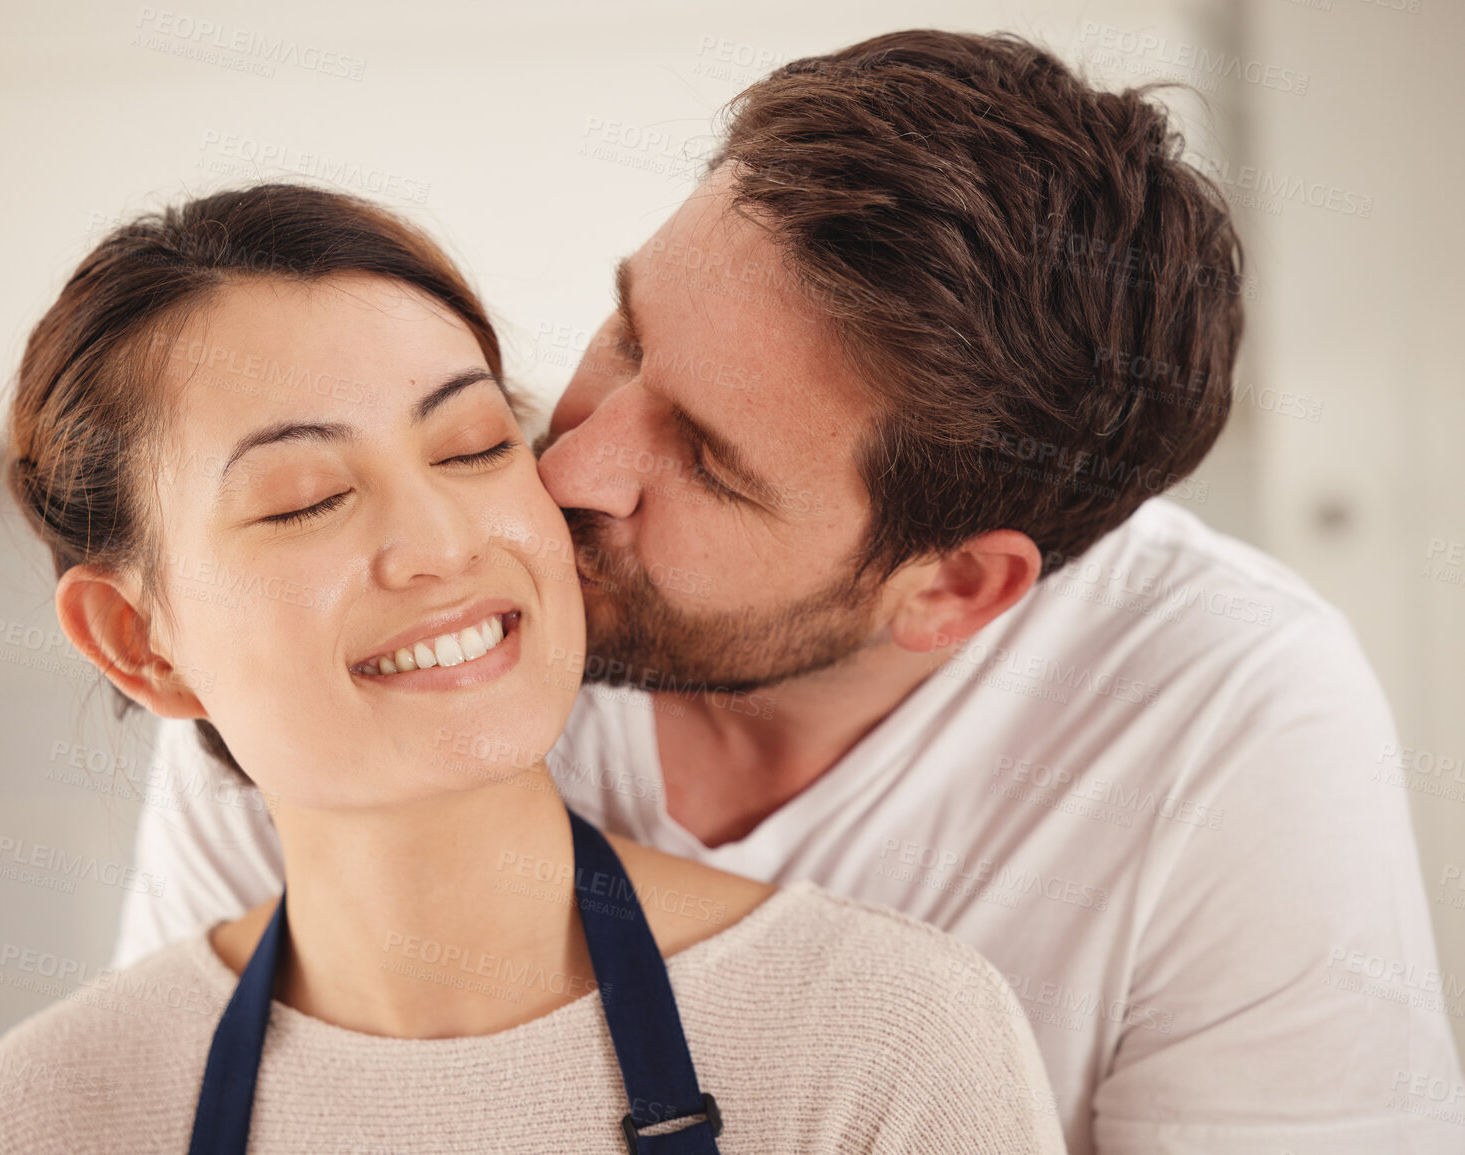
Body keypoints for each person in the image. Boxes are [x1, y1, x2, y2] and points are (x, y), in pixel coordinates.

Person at [112, 29, 1465, 1155]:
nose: (571, 465)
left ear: (949, 589)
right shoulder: (373, 654)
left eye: (705, 458)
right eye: (626, 331)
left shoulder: (1222, 715)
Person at [0, 183, 1065, 1154]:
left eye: (475, 446)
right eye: (306, 498)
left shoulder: (884, 1037)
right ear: (140, 642)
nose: (443, 542)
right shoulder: (63, 1111)